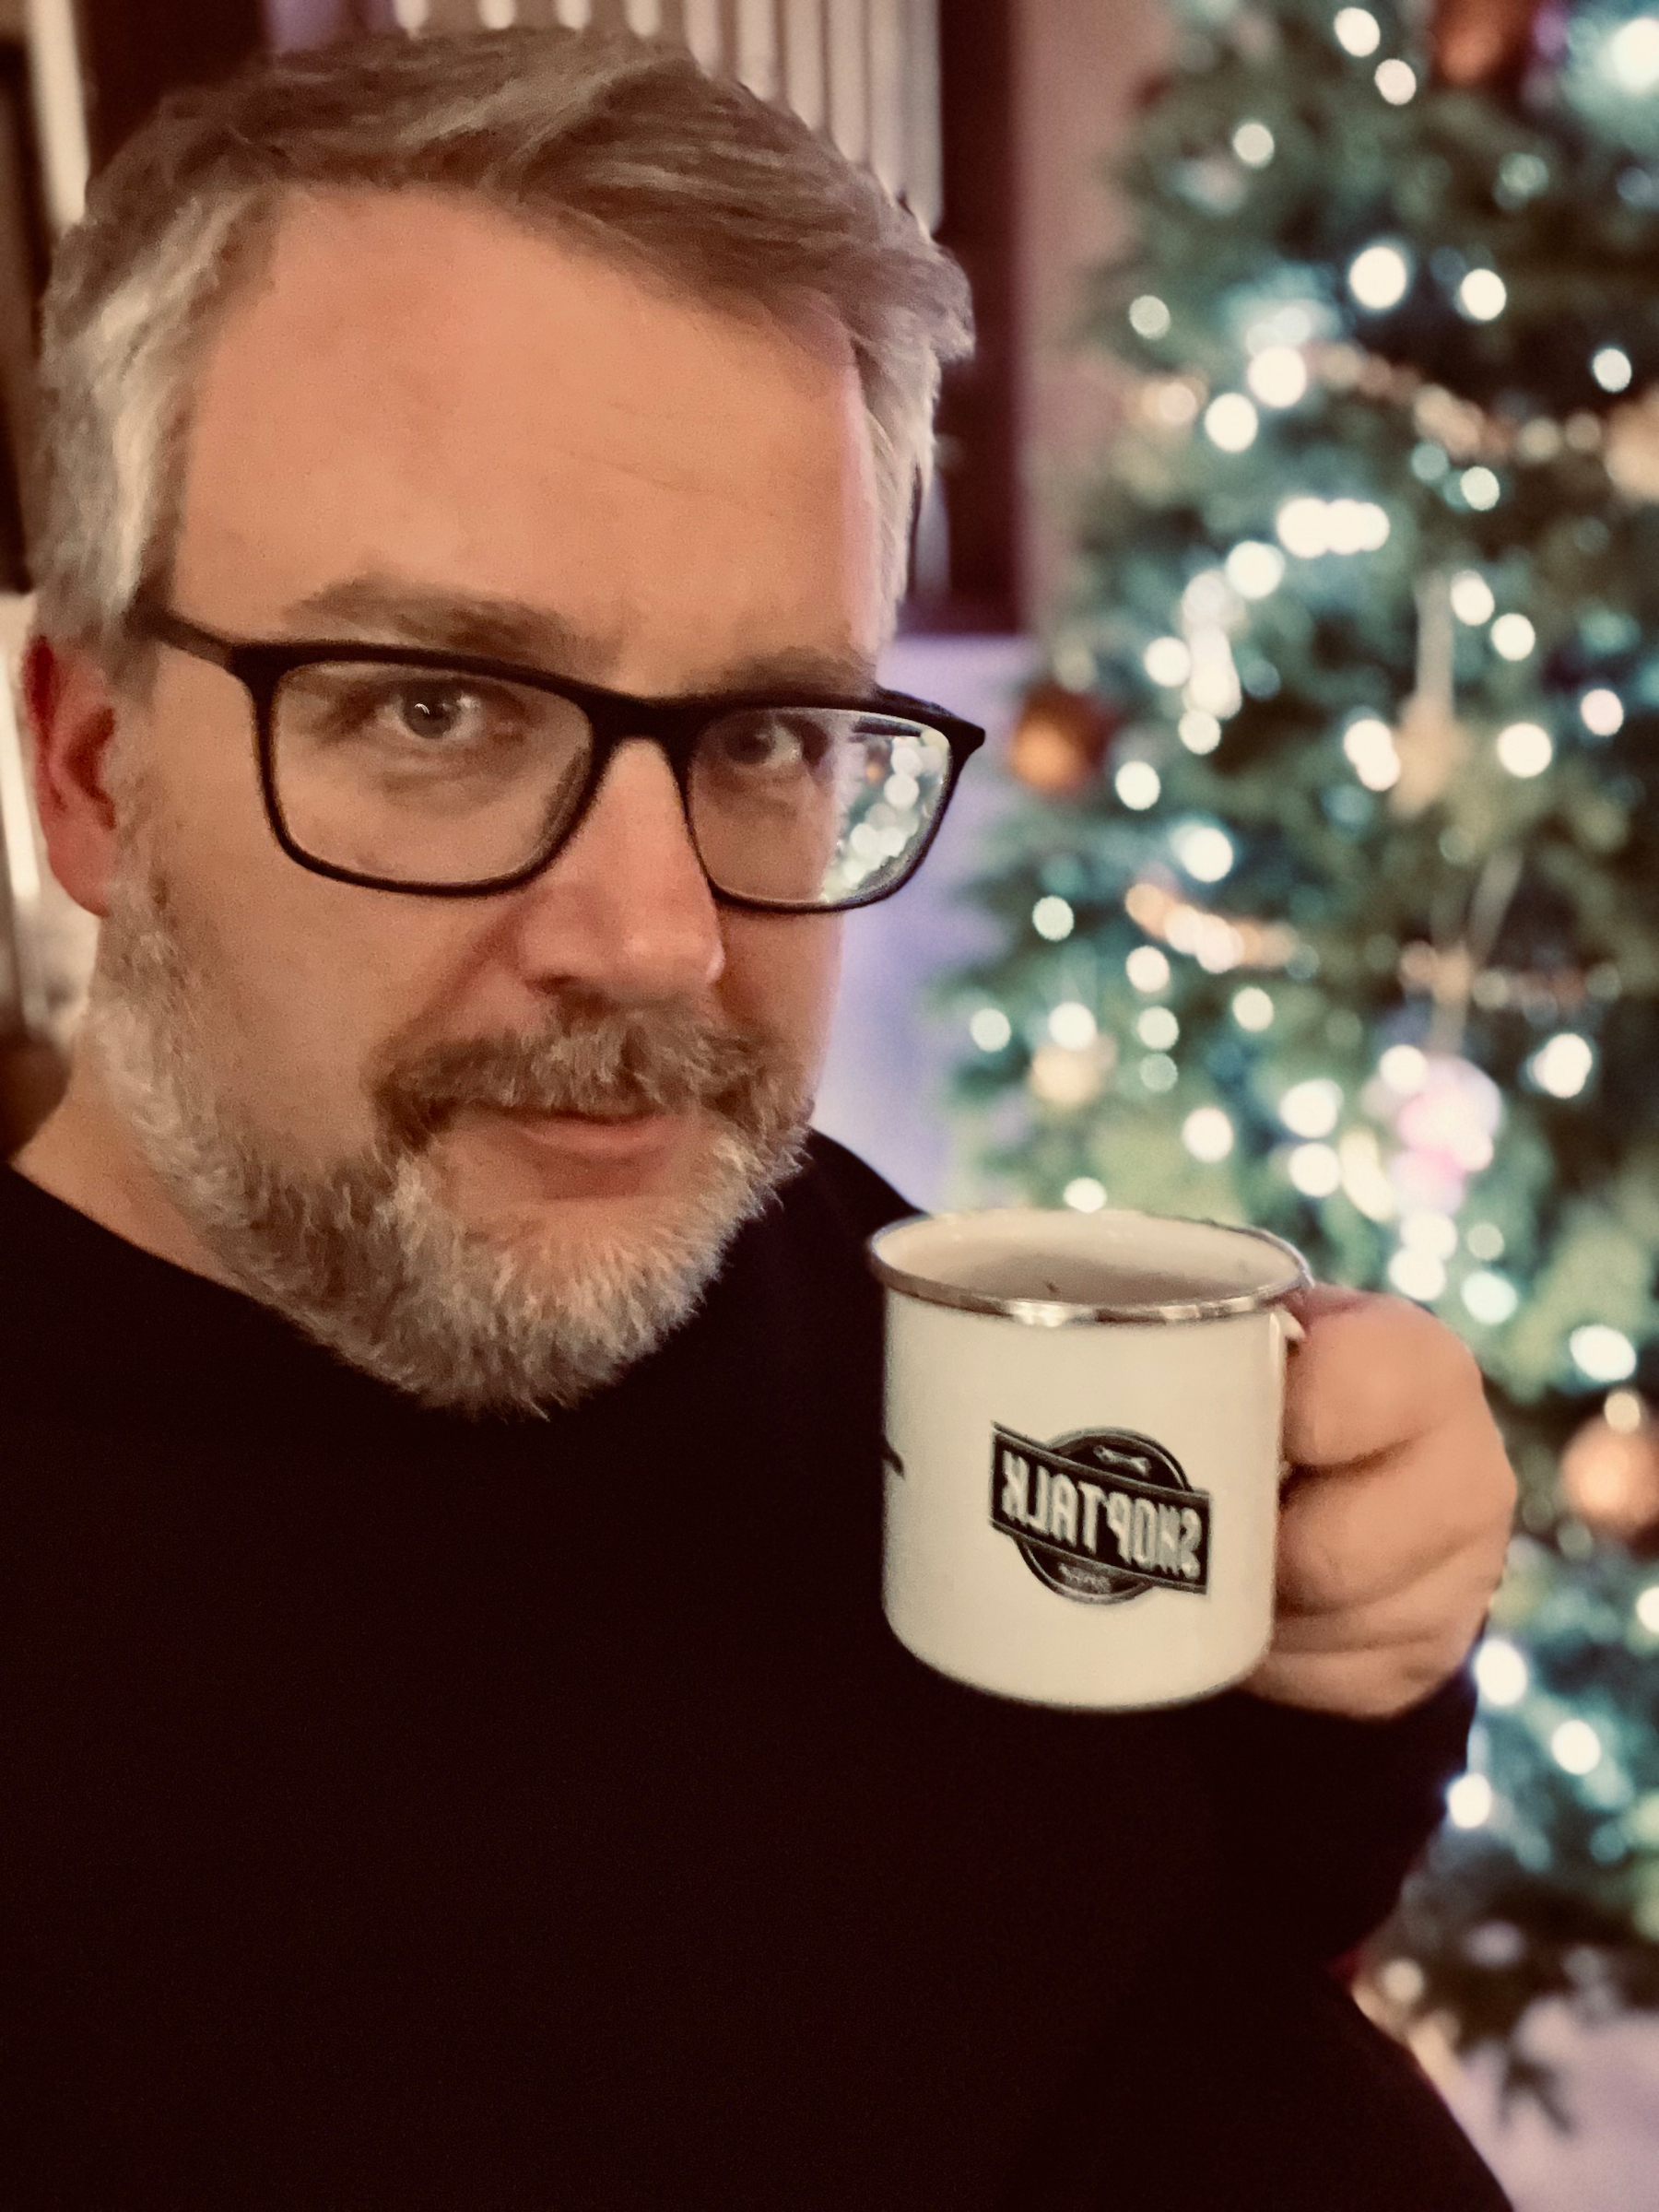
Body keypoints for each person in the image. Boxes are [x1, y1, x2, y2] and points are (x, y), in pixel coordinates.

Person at [0, 26, 1516, 2207]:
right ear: (92, 770)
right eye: (436, 705)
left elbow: (1235, 1899)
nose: (657, 943)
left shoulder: (798, 1263)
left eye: (777, 735)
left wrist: (1353, 1645)